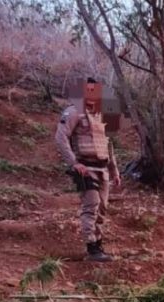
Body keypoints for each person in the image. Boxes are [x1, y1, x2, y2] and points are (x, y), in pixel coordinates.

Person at [54, 78, 122, 262]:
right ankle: (91, 248)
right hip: (85, 167)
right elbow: (61, 138)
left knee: (102, 208)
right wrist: (74, 163)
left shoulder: (103, 115)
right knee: (91, 205)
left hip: (102, 169)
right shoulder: (73, 112)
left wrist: (114, 171)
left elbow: (108, 145)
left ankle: (98, 245)